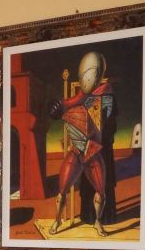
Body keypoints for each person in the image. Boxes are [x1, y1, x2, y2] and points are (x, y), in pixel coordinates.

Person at [48, 51, 113, 237]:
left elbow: (101, 112)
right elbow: (67, 103)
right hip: (76, 152)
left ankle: (98, 222)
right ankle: (57, 220)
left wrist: (75, 104)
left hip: (93, 153)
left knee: (100, 191)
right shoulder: (80, 97)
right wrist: (59, 107)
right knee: (62, 190)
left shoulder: (105, 93)